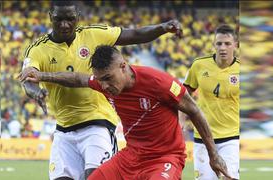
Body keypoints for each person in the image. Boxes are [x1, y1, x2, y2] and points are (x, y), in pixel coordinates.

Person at [20, 1, 184, 180]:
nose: (65, 24)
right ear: (51, 16)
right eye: (59, 19)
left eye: (70, 19)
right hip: (63, 129)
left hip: (97, 124)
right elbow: (28, 79)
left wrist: (162, 28)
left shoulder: (94, 34)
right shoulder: (37, 49)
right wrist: (36, 92)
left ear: (78, 17)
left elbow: (135, 34)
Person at [19, 45, 232, 180]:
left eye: (108, 78)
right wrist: (43, 76)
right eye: (100, 79)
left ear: (123, 66)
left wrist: (214, 156)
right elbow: (79, 79)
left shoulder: (159, 83)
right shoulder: (103, 83)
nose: (104, 85)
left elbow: (195, 111)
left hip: (165, 157)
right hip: (132, 156)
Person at [183, 24, 240, 180]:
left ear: (235, 45)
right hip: (202, 137)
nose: (222, 47)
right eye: (219, 43)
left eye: (227, 43)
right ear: (214, 44)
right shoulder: (199, 65)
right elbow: (183, 93)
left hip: (231, 137)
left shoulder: (241, 70)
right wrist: (180, 121)